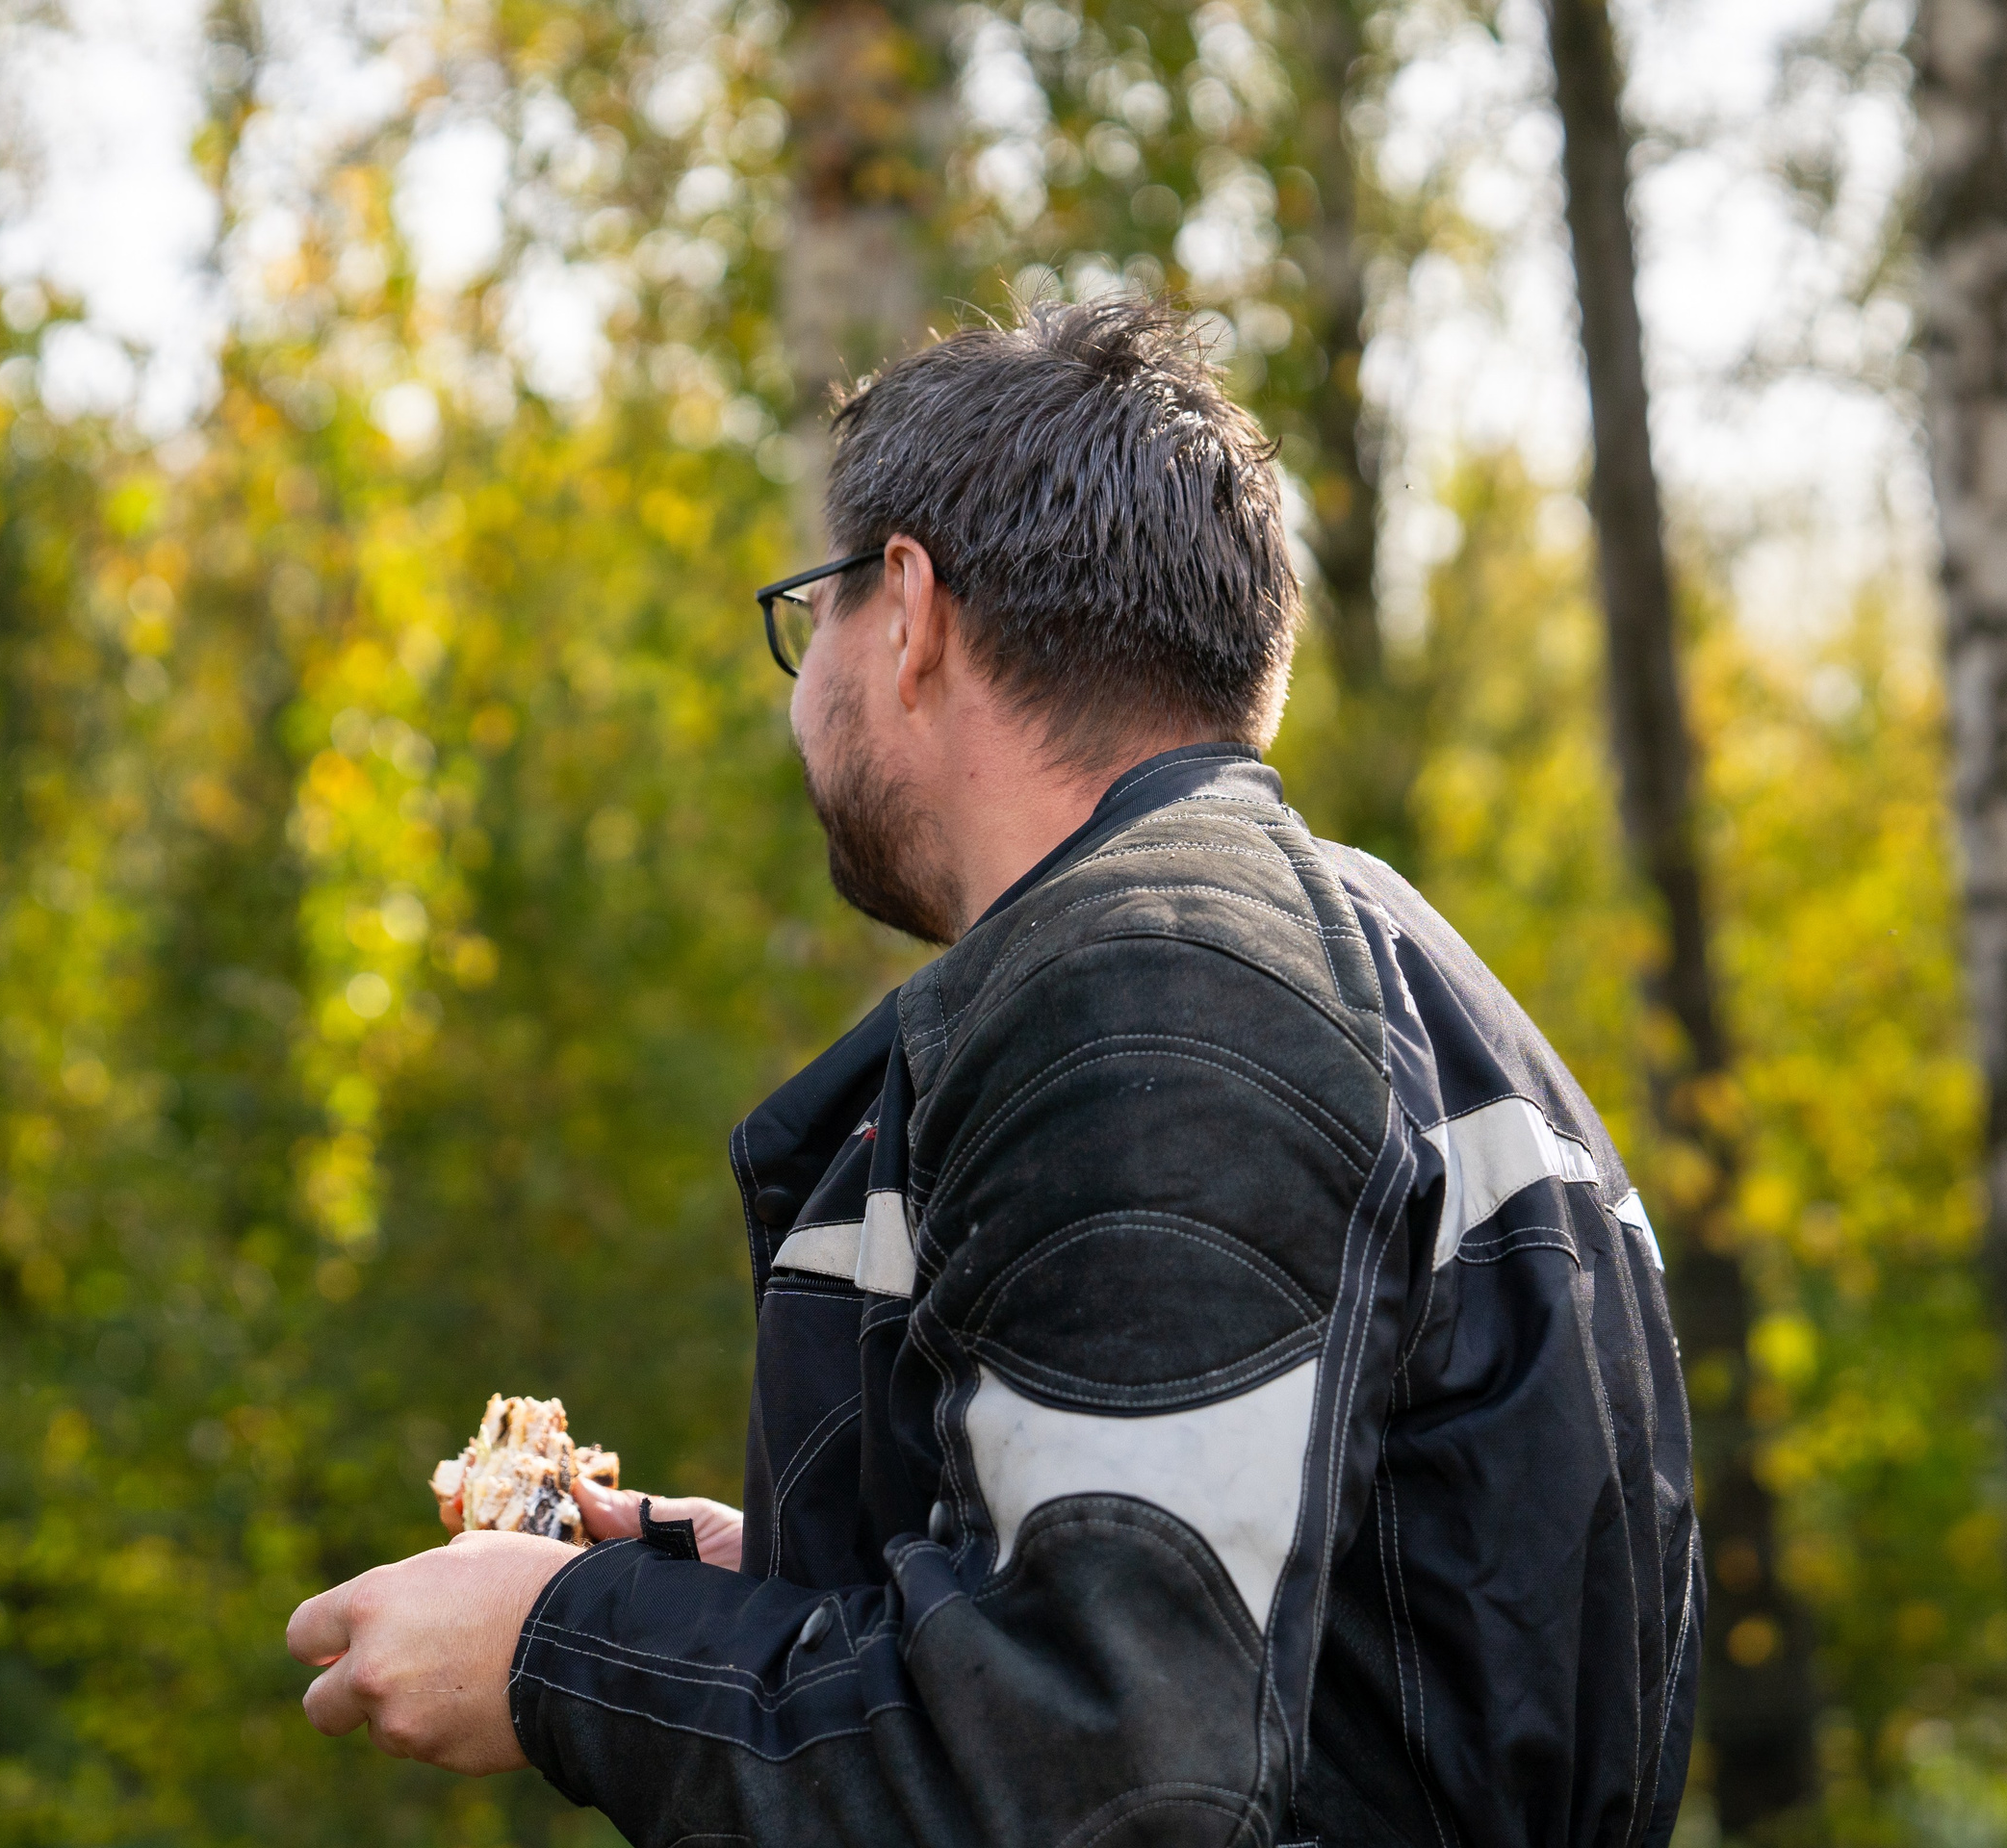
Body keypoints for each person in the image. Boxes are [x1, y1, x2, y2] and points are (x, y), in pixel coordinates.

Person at [287, 299, 1700, 1848]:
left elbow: (1101, 1780)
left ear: (908, 612)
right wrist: (747, 1586)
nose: (801, 691)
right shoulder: (1388, 964)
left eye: (811, 616)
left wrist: (561, 1655)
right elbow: (1270, 1636)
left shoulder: (1157, 999)